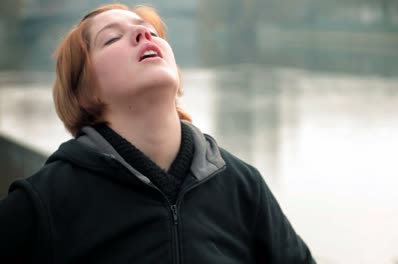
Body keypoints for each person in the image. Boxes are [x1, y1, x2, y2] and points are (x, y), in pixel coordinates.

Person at [0, 3, 315, 263]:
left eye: (150, 31)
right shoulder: (44, 202)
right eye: (111, 39)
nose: (142, 34)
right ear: (85, 93)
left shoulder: (243, 187)